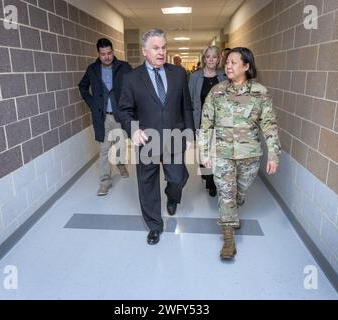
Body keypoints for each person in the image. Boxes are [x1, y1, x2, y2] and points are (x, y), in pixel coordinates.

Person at [198, 47, 281, 260]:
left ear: (246, 66)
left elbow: (269, 125)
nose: (228, 66)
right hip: (222, 154)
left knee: (239, 193)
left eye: (234, 62)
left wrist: (273, 154)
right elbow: (206, 124)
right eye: (227, 62)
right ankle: (228, 240)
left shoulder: (260, 93)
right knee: (226, 194)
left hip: (249, 155)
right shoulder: (216, 92)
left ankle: (235, 205)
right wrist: (204, 152)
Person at [119, 28, 194, 245]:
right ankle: (154, 226)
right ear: (145, 51)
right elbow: (124, 110)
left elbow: (186, 106)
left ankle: (173, 195)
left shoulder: (178, 74)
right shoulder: (132, 78)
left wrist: (189, 132)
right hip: (147, 139)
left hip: (174, 136)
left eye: (164, 47)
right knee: (147, 183)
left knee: (178, 177)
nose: (161, 52)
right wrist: (133, 129)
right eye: (155, 48)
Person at [78, 38, 132, 196]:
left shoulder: (124, 67)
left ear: (113, 52)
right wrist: (92, 103)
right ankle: (105, 182)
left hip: (120, 116)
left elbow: (134, 86)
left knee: (120, 145)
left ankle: (121, 165)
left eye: (109, 53)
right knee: (104, 150)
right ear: (98, 54)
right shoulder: (92, 69)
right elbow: (82, 87)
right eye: (103, 54)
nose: (107, 57)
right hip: (102, 117)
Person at [188, 45, 227, 197]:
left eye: (214, 57)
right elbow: (190, 100)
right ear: (204, 59)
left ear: (218, 59)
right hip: (201, 121)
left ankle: (212, 184)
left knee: (215, 152)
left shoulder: (223, 75)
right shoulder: (195, 76)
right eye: (208, 57)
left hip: (219, 121)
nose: (211, 59)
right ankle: (205, 173)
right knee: (204, 151)